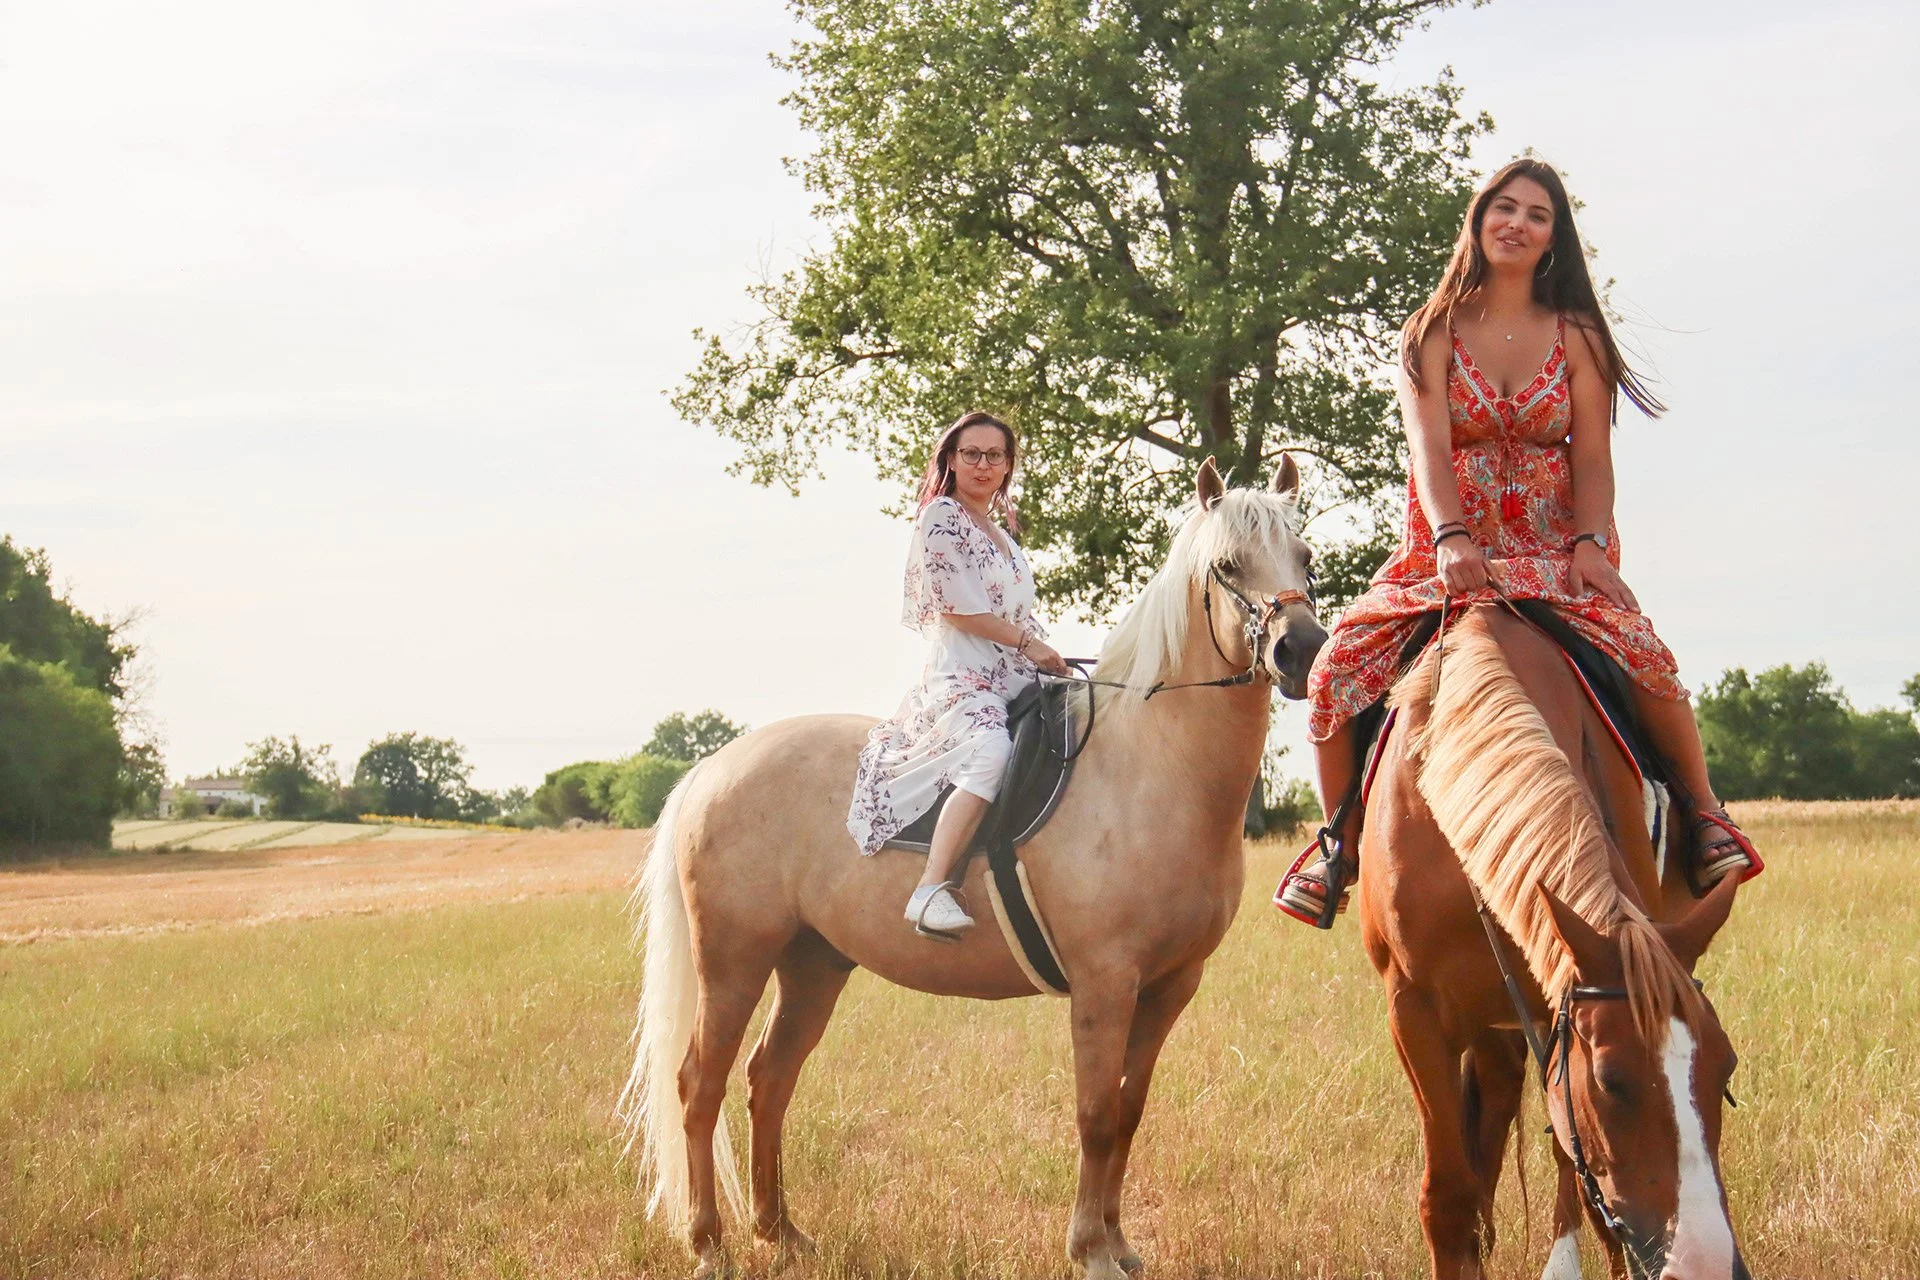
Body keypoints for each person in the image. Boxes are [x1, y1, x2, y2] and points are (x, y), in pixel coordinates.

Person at [1276, 158, 1761, 928]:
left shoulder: (1579, 336)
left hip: (1555, 550)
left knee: (1646, 655)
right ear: (1478, 221)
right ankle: (1338, 843)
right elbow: (1429, 451)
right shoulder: (1431, 329)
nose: (1518, 224)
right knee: (1337, 668)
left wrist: (1590, 544)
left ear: (1553, 237)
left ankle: (1704, 816)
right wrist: (1450, 537)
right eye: (1505, 208)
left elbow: (1592, 457)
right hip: (1446, 553)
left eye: (1538, 215)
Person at [847, 410, 1070, 939]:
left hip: (1013, 671)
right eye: (971, 454)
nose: (982, 465)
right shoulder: (941, 517)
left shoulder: (1002, 534)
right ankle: (929, 889)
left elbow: (1014, 612)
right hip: (964, 676)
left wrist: (1049, 656)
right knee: (991, 751)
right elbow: (957, 609)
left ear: (1008, 465)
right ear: (951, 459)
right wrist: (1030, 645)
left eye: (995, 455)